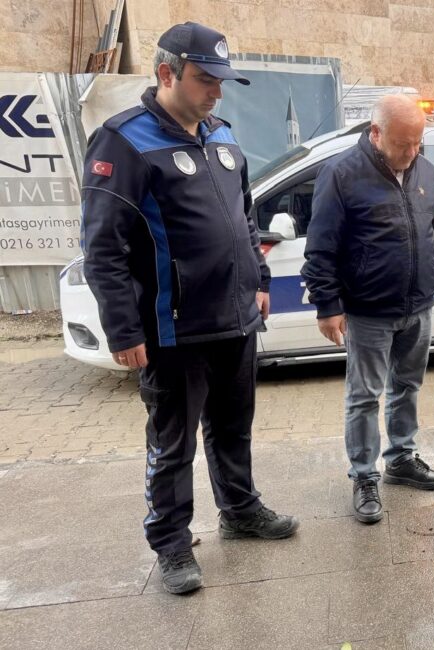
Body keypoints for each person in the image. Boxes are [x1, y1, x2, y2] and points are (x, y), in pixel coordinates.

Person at [81, 22, 299, 595]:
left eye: (222, 81)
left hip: (234, 320)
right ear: (166, 74)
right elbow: (103, 247)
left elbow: (245, 221)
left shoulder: (223, 137)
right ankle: (172, 544)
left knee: (233, 428)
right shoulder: (123, 142)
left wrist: (259, 282)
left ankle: (241, 510)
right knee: (172, 444)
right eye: (205, 80)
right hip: (170, 331)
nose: (217, 92)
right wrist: (123, 330)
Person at [302, 94, 434, 525]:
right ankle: (363, 476)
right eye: (402, 144)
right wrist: (328, 305)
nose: (411, 153)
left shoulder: (426, 172)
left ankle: (400, 459)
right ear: (375, 134)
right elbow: (321, 247)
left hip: (419, 305)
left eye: (418, 143)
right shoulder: (340, 175)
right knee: (363, 397)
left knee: (407, 387)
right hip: (368, 311)